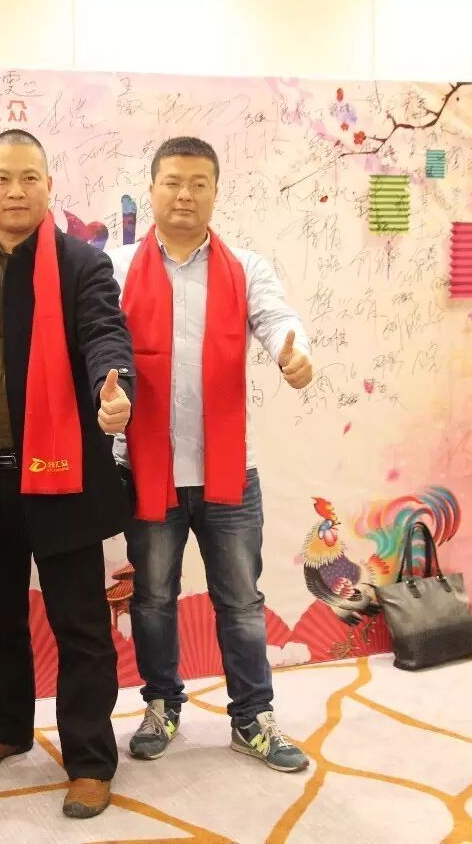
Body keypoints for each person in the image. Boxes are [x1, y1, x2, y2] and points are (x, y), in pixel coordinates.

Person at [0, 129, 135, 819]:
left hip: (62, 477)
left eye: (29, 179)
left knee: (80, 626)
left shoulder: (81, 264)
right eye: (2, 178)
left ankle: (90, 759)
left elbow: (105, 333)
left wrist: (113, 387)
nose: (15, 192)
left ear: (49, 186)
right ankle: (8, 726)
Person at [107, 136, 314, 773]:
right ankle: (161, 705)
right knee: (152, 599)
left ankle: (252, 718)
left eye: (199, 184)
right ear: (152, 188)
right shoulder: (115, 267)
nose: (185, 195)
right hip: (148, 469)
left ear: (216, 192)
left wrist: (294, 352)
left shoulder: (245, 267)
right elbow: (96, 344)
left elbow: (277, 319)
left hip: (228, 472)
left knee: (242, 602)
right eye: (173, 182)